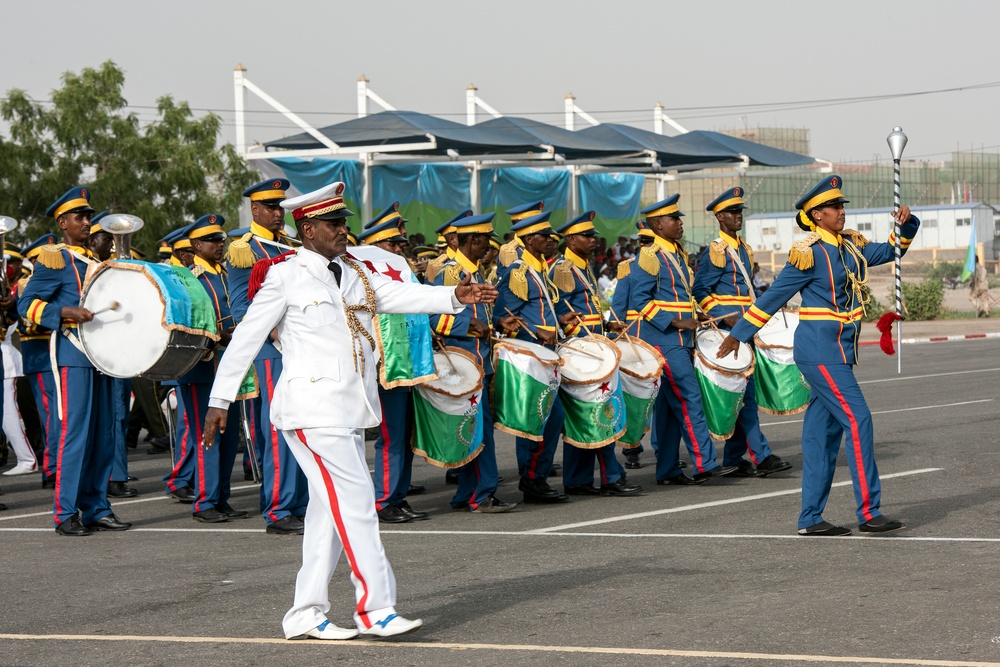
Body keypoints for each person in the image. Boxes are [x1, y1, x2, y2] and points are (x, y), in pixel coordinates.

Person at [200, 181, 496, 640]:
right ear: (309, 229)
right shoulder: (284, 275)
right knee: (357, 502)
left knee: (326, 513)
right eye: (335, 224)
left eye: (343, 223)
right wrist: (220, 400)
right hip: (312, 410)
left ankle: (306, 613)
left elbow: (399, 296)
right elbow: (246, 338)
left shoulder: (354, 270)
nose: (343, 230)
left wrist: (456, 297)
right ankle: (375, 608)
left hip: (350, 409)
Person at [717, 175, 920, 536]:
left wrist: (907, 223)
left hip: (840, 352)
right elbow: (774, 296)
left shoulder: (852, 247)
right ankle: (869, 512)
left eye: (842, 206)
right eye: (834, 208)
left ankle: (810, 519)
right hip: (819, 353)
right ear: (816, 215)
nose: (841, 212)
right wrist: (739, 334)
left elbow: (893, 250)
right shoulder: (808, 253)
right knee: (859, 420)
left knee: (819, 439)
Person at [18, 187, 130, 536]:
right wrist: (63, 311)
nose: (87, 222)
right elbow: (27, 305)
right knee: (76, 434)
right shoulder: (55, 259)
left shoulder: (100, 263)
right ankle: (65, 512)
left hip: (105, 356)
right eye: (79, 217)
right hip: (73, 356)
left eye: (88, 216)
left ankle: (96, 507)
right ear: (63, 223)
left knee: (104, 434)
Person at [627, 195, 736, 485]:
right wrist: (675, 321)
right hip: (664, 340)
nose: (680, 223)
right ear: (658, 224)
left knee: (667, 409)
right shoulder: (650, 256)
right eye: (674, 219)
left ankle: (667, 470)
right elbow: (639, 300)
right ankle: (704, 463)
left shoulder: (675, 254)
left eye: (679, 218)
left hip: (680, 337)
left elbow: (677, 297)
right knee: (689, 397)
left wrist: (695, 315)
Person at [226, 179, 309, 535]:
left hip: (303, 347)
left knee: (304, 425)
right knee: (277, 428)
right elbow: (239, 306)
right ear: (255, 210)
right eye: (271, 207)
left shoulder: (291, 243)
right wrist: (275, 330)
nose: (278, 213)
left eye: (281, 207)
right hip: (272, 349)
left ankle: (301, 502)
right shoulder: (244, 249)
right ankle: (278, 507)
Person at [691, 188, 792, 478]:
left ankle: (733, 458)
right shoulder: (715, 251)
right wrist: (724, 316)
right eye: (733, 213)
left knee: (745, 392)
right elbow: (700, 292)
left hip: (748, 327)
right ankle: (761, 455)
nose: (738, 217)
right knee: (745, 394)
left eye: (740, 212)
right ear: (720, 217)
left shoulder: (743, 249)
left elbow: (747, 291)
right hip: (729, 331)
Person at [430, 212, 518, 513]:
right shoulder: (450, 273)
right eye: (484, 242)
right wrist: (464, 328)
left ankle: (466, 494)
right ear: (472, 240)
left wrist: (499, 323)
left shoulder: (478, 274)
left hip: (479, 361)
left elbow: (481, 318)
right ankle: (482, 493)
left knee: (473, 430)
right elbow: (431, 315)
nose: (488, 248)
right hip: (462, 364)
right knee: (479, 431)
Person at [551, 212, 641, 498]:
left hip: (593, 347)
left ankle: (577, 479)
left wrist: (606, 324)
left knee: (584, 415)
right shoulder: (563, 268)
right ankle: (612, 475)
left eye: (593, 236)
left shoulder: (582, 267)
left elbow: (584, 311)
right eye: (587, 236)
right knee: (600, 410)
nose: (593, 240)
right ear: (571, 239)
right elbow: (559, 314)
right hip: (580, 352)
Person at [493, 210, 581, 504]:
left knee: (549, 418)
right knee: (542, 417)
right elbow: (502, 315)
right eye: (544, 236)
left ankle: (535, 478)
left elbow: (542, 311)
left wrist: (562, 320)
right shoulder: (517, 272)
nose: (550, 240)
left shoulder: (538, 269)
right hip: (530, 358)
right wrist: (536, 331)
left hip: (547, 355)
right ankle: (532, 479)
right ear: (529, 239)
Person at [358, 203, 432, 524]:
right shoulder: (360, 272)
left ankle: (398, 497)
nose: (400, 248)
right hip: (382, 365)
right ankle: (383, 500)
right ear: (374, 245)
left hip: (409, 362)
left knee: (404, 436)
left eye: (400, 243)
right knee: (390, 436)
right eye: (393, 243)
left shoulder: (402, 269)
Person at [87, 212, 139, 498]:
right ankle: (112, 475)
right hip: (98, 350)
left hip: (122, 348)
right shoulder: (88, 268)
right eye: (108, 237)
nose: (112, 243)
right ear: (93, 239)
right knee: (106, 417)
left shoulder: (113, 267)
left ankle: (116, 472)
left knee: (119, 414)